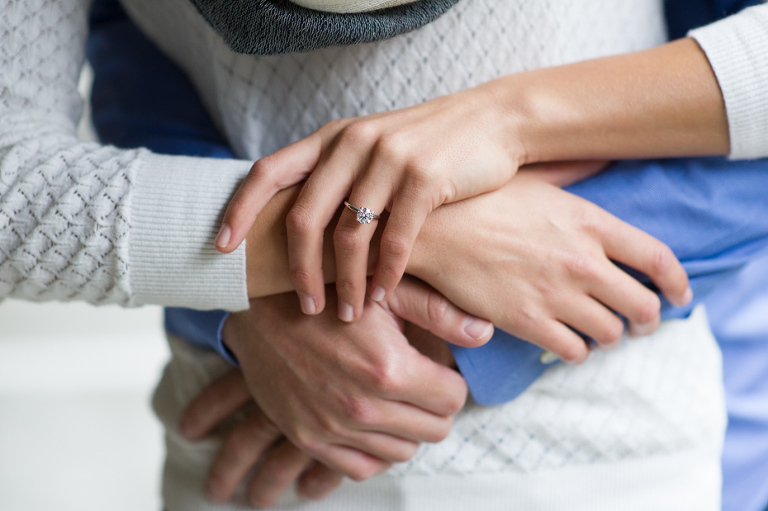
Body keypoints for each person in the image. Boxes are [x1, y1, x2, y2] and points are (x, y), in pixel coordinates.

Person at [3, 0, 767, 509]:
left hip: (599, 437)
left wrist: (506, 120)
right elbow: (131, 48)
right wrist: (282, 283)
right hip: (258, 434)